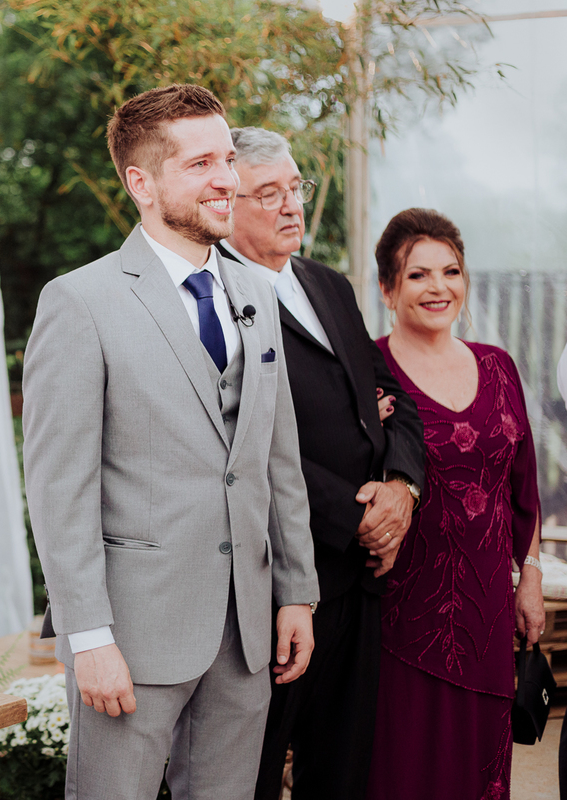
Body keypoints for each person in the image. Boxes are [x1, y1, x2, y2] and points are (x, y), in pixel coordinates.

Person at [22, 84, 319, 800]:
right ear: (141, 182)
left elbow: (277, 459)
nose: (227, 179)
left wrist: (297, 594)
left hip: (247, 629)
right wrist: (87, 637)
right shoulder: (80, 302)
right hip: (133, 634)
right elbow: (60, 489)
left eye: (227, 159)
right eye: (201, 164)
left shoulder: (258, 295)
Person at [214, 128, 425, 800]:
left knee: (342, 769)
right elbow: (236, 447)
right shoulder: (211, 302)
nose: (291, 206)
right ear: (225, 203)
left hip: (363, 583)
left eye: (295, 187)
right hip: (278, 585)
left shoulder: (328, 284)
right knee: (254, 767)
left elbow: (393, 400)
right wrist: (354, 516)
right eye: (267, 194)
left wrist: (400, 488)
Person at [366, 208, 543, 800]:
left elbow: (524, 486)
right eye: (418, 276)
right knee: (402, 770)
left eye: (451, 271)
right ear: (389, 289)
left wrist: (531, 575)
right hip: (400, 618)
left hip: (488, 614)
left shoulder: (498, 367)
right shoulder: (368, 371)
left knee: (478, 773)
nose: (438, 287)